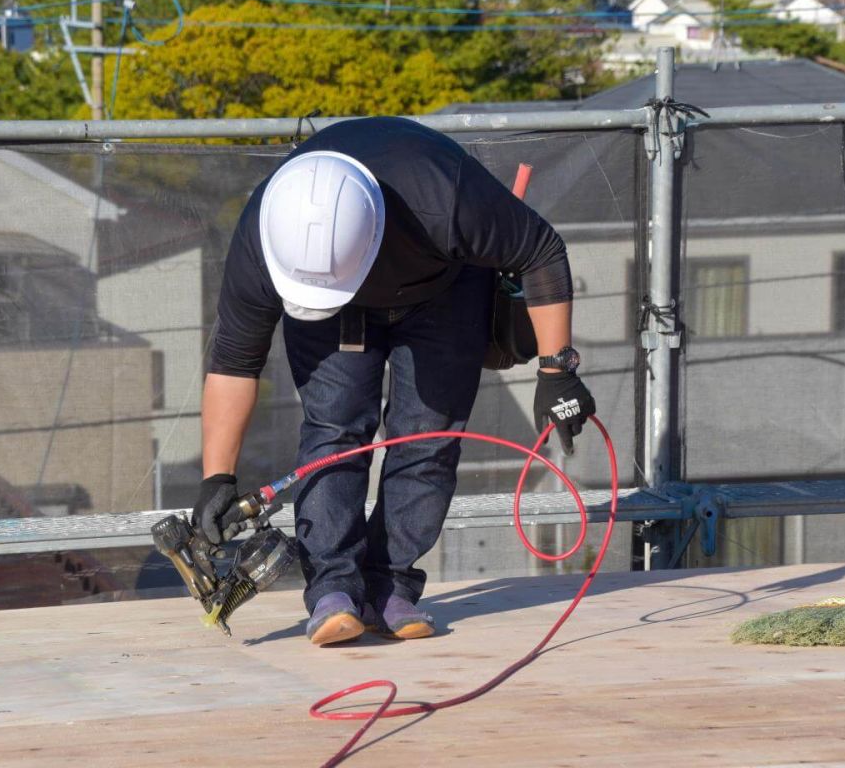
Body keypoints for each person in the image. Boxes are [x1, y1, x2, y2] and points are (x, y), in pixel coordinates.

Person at [195, 116, 595, 646]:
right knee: (333, 432)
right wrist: (216, 479)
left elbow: (541, 250)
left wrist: (556, 370)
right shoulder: (269, 234)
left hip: (444, 288)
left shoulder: (446, 196)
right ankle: (334, 590)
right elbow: (233, 363)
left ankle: (392, 586)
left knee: (428, 435)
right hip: (335, 315)